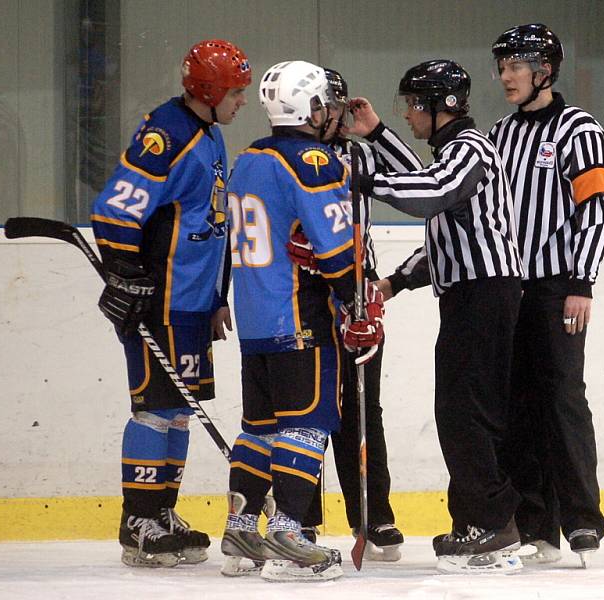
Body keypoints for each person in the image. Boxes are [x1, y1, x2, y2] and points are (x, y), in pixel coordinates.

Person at [353, 60, 525, 574]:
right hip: (475, 295)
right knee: (463, 411)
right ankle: (483, 522)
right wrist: (377, 135)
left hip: (484, 296)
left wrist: (362, 176)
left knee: (466, 413)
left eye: (411, 104)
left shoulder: (470, 150)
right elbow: (436, 214)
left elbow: (430, 194)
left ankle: (489, 527)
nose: (405, 113)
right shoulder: (455, 151)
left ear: (439, 105)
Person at [218, 60, 384, 582]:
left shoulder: (247, 159)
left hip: (254, 320)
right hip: (300, 317)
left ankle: (242, 527)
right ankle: (289, 533)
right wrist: (358, 305)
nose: (331, 111)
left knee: (259, 428)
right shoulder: (311, 160)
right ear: (310, 108)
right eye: (325, 103)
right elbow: (336, 248)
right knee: (307, 423)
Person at [90, 39, 251, 568]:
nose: (242, 100)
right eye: (235, 90)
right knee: (155, 408)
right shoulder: (168, 134)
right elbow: (116, 209)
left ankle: (162, 513)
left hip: (192, 302)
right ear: (209, 90)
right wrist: (125, 275)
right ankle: (138, 519)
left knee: (180, 411)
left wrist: (217, 297)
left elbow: (212, 221)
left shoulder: (209, 133)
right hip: (159, 299)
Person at [488, 23, 604, 567]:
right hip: (506, 290)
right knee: (515, 408)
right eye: (501, 67)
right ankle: (537, 526)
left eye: (515, 66)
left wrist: (581, 283)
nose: (505, 77)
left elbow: (600, 212)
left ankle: (583, 523)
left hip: (556, 288)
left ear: (544, 69)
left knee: (562, 401)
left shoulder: (578, 129)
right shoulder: (497, 134)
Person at [294, 68, 424, 561]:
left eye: (339, 104)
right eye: (328, 104)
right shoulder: (284, 157)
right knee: (304, 407)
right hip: (303, 292)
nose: (334, 114)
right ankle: (298, 518)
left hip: (357, 285)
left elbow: (417, 179)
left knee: (363, 408)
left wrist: (376, 131)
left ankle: (375, 517)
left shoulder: (360, 156)